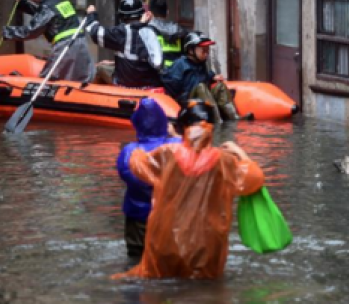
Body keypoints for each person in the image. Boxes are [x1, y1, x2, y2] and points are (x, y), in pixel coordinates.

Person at [112, 100, 265, 280]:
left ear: (182, 126)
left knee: (158, 283)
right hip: (208, 241)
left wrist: (138, 147)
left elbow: (136, 165)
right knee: (208, 287)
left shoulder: (167, 153)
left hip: (169, 237)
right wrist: (240, 153)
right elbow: (253, 178)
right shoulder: (223, 160)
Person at [117, 98, 181, 260]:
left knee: (136, 258)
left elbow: (127, 175)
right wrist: (175, 135)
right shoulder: (178, 146)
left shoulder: (130, 152)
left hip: (138, 218)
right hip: (171, 217)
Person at [3, 0, 95, 83]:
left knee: (48, 79)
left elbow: (32, 30)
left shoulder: (48, 6)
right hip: (80, 43)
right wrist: (23, 3)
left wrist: (8, 32)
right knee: (80, 79)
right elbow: (44, 16)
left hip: (65, 46)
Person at [161, 31, 251, 122]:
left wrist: (212, 77)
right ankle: (217, 120)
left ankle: (234, 116)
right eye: (203, 50)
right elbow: (172, 85)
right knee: (201, 87)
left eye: (207, 50)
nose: (206, 53)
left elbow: (203, 76)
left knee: (220, 87)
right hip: (187, 100)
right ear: (191, 50)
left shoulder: (201, 63)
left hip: (202, 97)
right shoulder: (180, 64)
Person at [85, 0, 163, 89]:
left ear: (121, 17)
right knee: (105, 65)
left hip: (126, 86)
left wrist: (91, 14)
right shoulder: (151, 30)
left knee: (99, 68)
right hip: (151, 86)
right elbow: (147, 61)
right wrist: (114, 63)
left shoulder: (121, 32)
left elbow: (95, 33)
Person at [147, 0, 189, 69]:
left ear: (150, 14)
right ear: (167, 12)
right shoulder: (180, 30)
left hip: (156, 75)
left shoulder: (147, 31)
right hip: (177, 73)